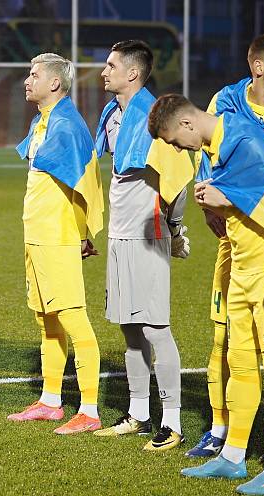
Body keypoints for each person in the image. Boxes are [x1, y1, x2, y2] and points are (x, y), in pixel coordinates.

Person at [148, 93, 264, 494]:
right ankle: (233, 456)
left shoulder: (244, 141)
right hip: (240, 268)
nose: (176, 148)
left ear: (186, 124)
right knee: (240, 364)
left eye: (172, 140)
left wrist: (226, 199)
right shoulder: (216, 148)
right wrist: (217, 206)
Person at [186, 34, 264, 459]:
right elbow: (205, 158)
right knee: (223, 336)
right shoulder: (225, 100)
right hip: (236, 239)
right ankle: (221, 429)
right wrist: (209, 208)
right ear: (257, 66)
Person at [91, 40, 192, 451]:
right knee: (130, 329)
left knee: (155, 328)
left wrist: (176, 229)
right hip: (120, 234)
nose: (104, 71)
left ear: (133, 73)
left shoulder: (155, 115)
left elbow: (178, 174)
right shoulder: (113, 113)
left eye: (111, 65)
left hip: (148, 234)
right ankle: (139, 412)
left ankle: (172, 420)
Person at [6, 53, 104, 434]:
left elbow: (84, 182)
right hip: (36, 235)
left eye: (34, 75)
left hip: (57, 237)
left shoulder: (67, 125)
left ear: (55, 84)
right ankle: (50, 401)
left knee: (73, 318)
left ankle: (90, 410)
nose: (27, 81)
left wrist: (82, 233)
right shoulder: (43, 121)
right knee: (46, 320)